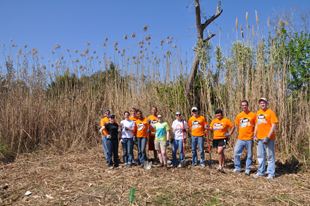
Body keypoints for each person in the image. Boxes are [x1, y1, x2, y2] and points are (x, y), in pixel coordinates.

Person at [252, 98, 279, 180]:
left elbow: (274, 125)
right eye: (261, 103)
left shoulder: (270, 112)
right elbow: (257, 124)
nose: (262, 104)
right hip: (259, 137)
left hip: (268, 138)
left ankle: (271, 173)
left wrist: (268, 137)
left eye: (263, 103)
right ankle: (261, 172)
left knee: (270, 156)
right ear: (259, 104)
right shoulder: (258, 112)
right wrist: (254, 135)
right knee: (260, 156)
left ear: (266, 103)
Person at [231, 100, 256, 176]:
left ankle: (247, 169)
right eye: (243, 105)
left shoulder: (253, 115)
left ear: (248, 105)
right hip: (240, 138)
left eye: (245, 105)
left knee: (249, 154)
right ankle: (237, 168)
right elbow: (237, 126)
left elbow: (256, 126)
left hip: (249, 138)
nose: (244, 106)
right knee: (236, 153)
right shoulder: (239, 116)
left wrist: (253, 135)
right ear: (241, 106)